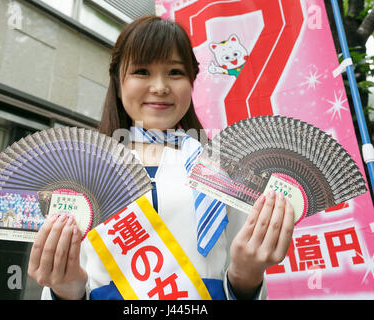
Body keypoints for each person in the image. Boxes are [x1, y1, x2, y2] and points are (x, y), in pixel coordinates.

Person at [27, 15, 295, 300]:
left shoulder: (222, 170)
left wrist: (246, 276)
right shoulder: (83, 175)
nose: (159, 87)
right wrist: (64, 289)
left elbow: (242, 281)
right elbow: (66, 283)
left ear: (192, 82)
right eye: (142, 71)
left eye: (175, 73)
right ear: (118, 82)